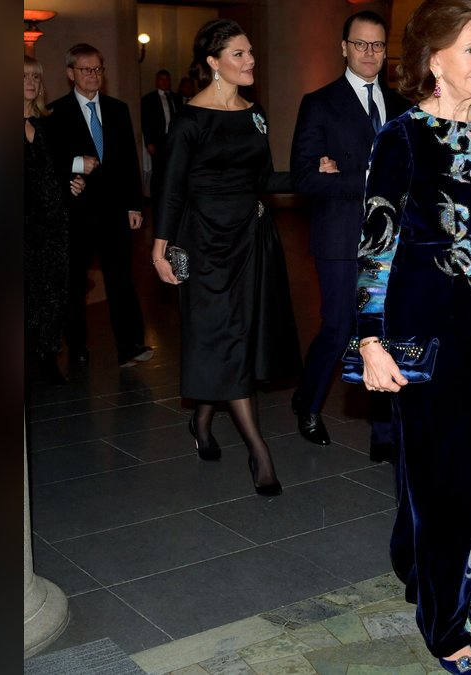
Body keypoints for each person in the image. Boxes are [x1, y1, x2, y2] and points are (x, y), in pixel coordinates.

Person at [355, 1, 471, 671]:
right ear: (434, 60)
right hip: (424, 330)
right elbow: (376, 244)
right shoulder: (402, 138)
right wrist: (370, 340)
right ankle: (445, 621)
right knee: (444, 484)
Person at [151, 18, 301, 497]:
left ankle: (201, 418)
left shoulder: (255, 114)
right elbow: (169, 188)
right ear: (213, 63)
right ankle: (259, 452)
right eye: (238, 54)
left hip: (249, 242)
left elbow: (261, 178)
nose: (250, 60)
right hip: (204, 245)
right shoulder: (190, 119)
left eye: (250, 52)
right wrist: (161, 247)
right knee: (222, 337)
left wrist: (311, 174)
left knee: (235, 339)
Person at [289, 10, 411, 457]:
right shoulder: (319, 103)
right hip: (339, 239)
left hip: (393, 242)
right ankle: (308, 400)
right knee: (340, 327)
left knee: (385, 331)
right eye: (360, 44)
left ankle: (384, 434)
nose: (369, 53)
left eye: (378, 45)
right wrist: (364, 180)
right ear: (344, 48)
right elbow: (303, 177)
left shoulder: (401, 106)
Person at [46, 43, 154, 368]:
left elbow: (129, 162)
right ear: (70, 74)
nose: (93, 75)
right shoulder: (55, 113)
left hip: (114, 211)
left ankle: (130, 346)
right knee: (75, 282)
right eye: (86, 69)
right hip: (76, 212)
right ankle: (77, 346)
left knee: (121, 277)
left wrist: (135, 205)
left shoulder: (117, 109)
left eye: (98, 69)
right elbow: (49, 162)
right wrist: (74, 168)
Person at [24, 54, 85, 385]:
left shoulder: (51, 122)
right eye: (23, 77)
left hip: (53, 219)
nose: (31, 83)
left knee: (52, 289)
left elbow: (63, 167)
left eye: (35, 77)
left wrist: (76, 181)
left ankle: (48, 356)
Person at [141, 69, 178, 202]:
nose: (164, 82)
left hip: (174, 140)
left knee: (174, 170)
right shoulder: (149, 99)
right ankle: (157, 199)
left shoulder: (176, 97)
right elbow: (145, 122)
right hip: (158, 141)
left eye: (167, 79)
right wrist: (149, 142)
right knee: (158, 172)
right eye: (161, 79)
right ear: (157, 81)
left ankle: (172, 197)